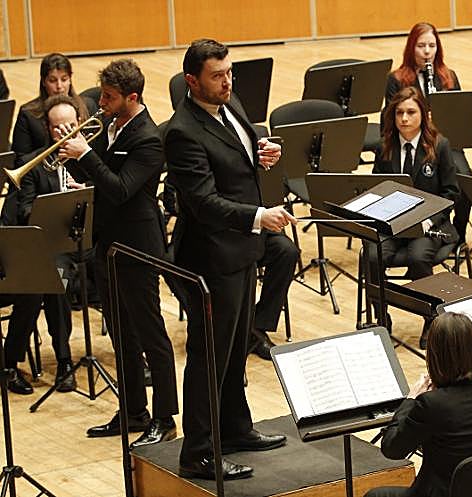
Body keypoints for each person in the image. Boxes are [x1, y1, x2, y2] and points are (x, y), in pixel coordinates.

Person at [165, 38, 295, 480]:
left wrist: (263, 153)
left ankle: (236, 427)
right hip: (211, 258)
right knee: (210, 356)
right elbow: (203, 203)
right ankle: (198, 451)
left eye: (229, 72)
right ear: (191, 81)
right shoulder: (182, 132)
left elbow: (238, 151)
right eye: (217, 75)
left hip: (241, 249)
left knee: (236, 346)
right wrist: (259, 216)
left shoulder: (229, 102)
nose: (227, 82)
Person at [58, 59, 178, 449]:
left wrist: (85, 156)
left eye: (109, 97)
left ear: (132, 97)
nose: (101, 103)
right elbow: (98, 175)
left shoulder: (148, 139)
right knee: (121, 333)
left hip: (139, 246)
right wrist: (74, 161)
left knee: (150, 333)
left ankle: (165, 417)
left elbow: (122, 188)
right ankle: (133, 410)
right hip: (108, 244)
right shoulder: (111, 126)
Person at [364, 312, 472, 497]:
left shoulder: (431, 404)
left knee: (375, 495)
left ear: (435, 356)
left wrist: (411, 399)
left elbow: (392, 449)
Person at [371, 86, 459, 349]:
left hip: (428, 224)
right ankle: (381, 316)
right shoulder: (384, 147)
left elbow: (451, 192)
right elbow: (376, 189)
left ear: (424, 114)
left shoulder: (440, 146)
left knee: (418, 257)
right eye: (399, 113)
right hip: (392, 224)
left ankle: (430, 319)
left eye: (411, 112)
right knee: (372, 256)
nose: (404, 119)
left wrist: (429, 220)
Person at [12, 94, 89, 393]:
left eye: (69, 126)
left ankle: (134, 357)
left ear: (79, 123)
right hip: (50, 247)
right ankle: (62, 362)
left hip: (87, 244)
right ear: (48, 128)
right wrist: (56, 205)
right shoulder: (34, 165)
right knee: (51, 280)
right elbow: (24, 211)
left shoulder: (90, 160)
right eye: (57, 128)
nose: (64, 133)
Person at [384, 22, 472, 243]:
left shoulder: (448, 77)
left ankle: (457, 234)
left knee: (466, 180)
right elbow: (388, 118)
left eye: (432, 46)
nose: (427, 52)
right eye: (421, 46)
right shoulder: (396, 79)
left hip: (444, 144)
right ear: (411, 48)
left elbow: (460, 116)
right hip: (412, 142)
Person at [12, 53, 96, 168]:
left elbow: (99, 150)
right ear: (43, 82)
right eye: (52, 80)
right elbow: (20, 159)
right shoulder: (28, 114)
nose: (59, 86)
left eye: (64, 79)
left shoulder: (88, 106)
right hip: (46, 173)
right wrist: (52, 147)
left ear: (70, 79)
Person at [248, 232, 299, 360]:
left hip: (257, 233)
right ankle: (234, 326)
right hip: (225, 236)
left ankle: (256, 327)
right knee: (244, 258)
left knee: (286, 251)